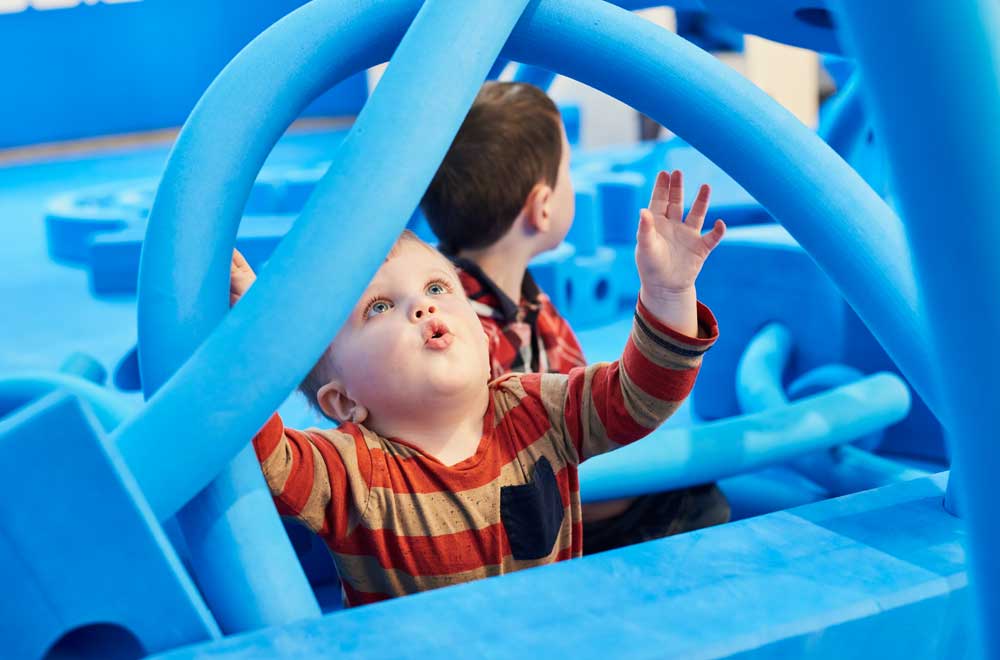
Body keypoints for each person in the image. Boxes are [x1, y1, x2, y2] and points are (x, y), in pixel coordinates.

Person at [230, 170, 725, 606]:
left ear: (481, 329)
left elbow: (639, 399)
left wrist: (667, 295)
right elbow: (264, 457)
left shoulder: (538, 410)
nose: (423, 308)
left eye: (437, 288)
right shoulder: (351, 470)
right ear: (343, 401)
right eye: (379, 307)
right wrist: (252, 346)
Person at [420, 81, 729, 553]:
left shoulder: (504, 302)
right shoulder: (469, 333)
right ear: (542, 207)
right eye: (568, 169)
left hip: (555, 476)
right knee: (697, 502)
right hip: (528, 522)